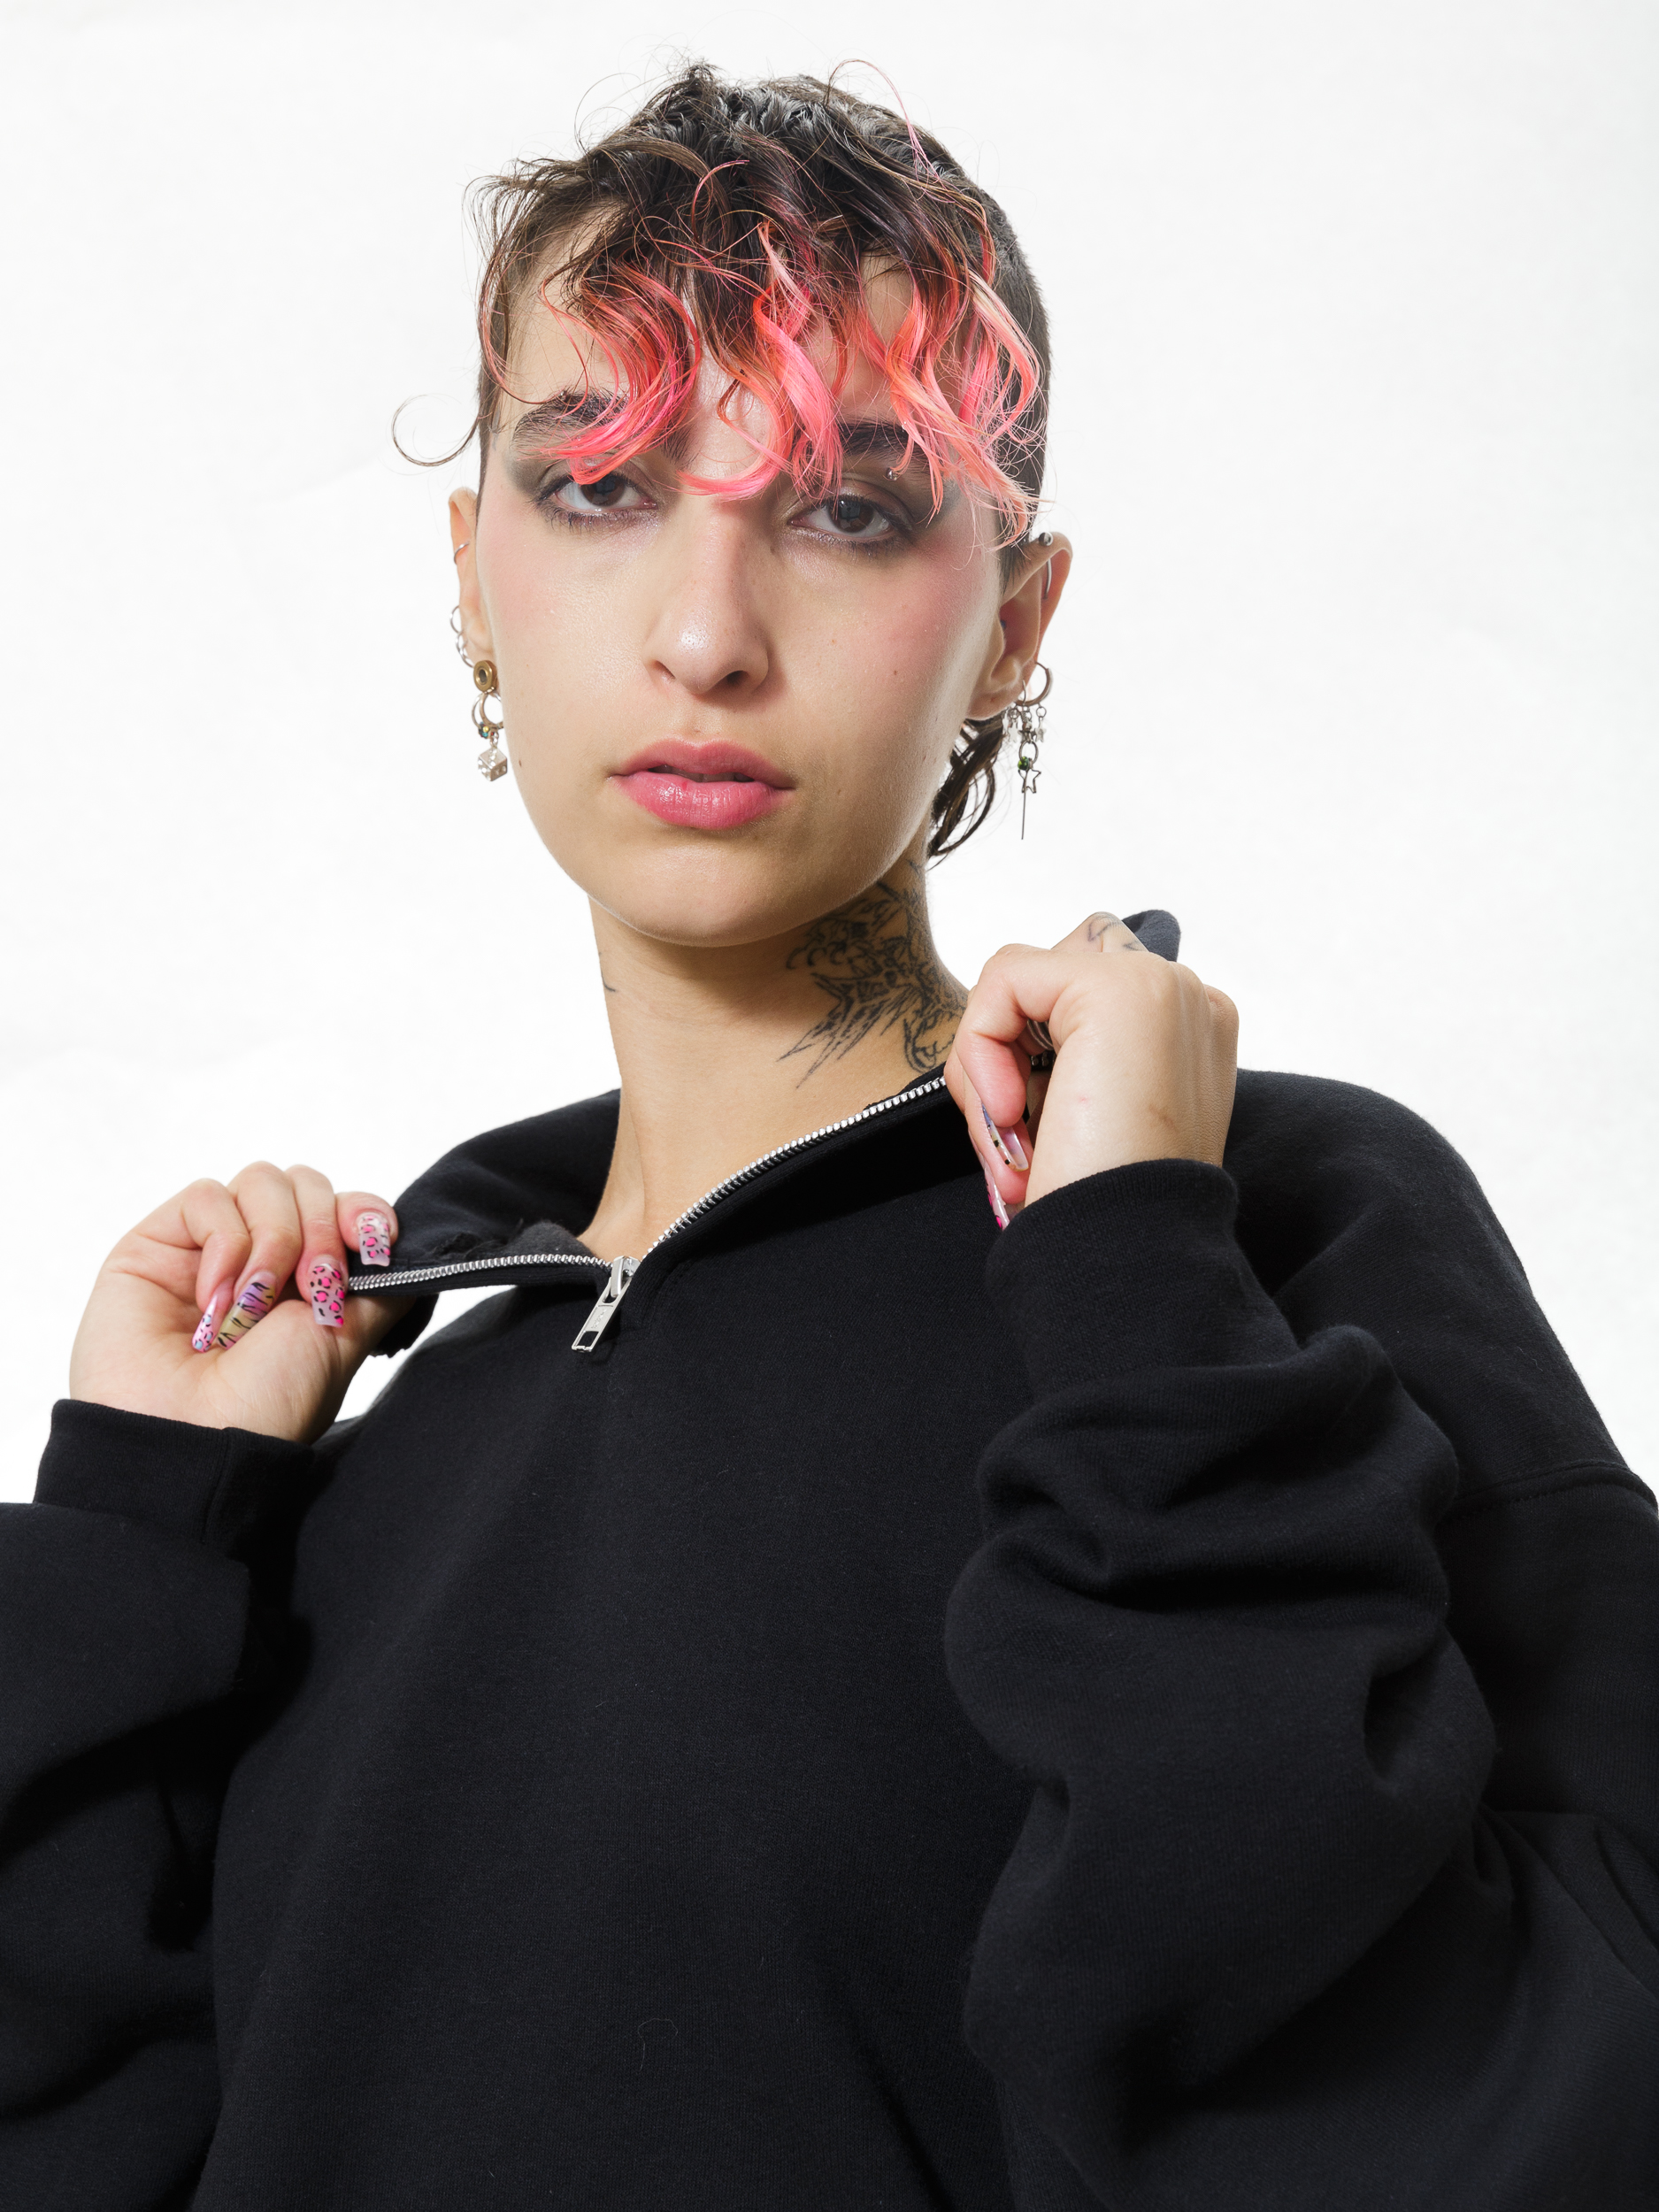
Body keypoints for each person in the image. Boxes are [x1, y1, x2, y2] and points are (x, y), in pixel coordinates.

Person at [3, 64, 1654, 2212]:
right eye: (595, 486)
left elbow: (1519, 2118)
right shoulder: (372, 1424)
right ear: (471, 572)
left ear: (1014, 624)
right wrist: (143, 1529)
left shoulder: (1266, 1242)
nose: (702, 634)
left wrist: (1139, 1287)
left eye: (850, 506)